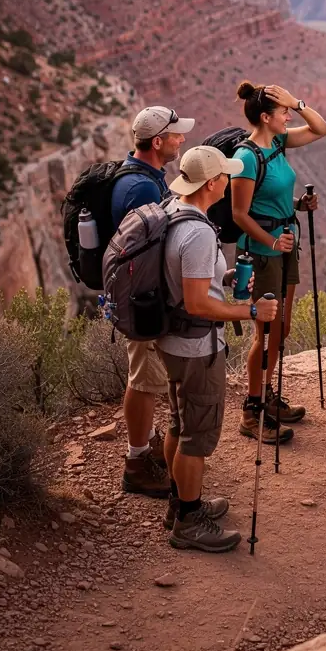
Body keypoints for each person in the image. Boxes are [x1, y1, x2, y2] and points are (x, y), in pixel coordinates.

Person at [155, 145, 277, 553]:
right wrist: (251, 309)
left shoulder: (173, 212)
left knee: (179, 423)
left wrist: (222, 279)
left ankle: (181, 502)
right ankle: (189, 523)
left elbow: (190, 283)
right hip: (195, 346)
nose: (229, 180)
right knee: (197, 436)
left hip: (172, 340)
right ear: (212, 183)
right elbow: (197, 303)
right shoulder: (199, 232)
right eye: (225, 174)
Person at [230, 83, 326, 444]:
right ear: (265, 118)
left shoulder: (277, 142)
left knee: (282, 328)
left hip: (286, 244)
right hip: (262, 252)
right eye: (283, 111)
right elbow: (239, 214)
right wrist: (271, 240)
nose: (288, 115)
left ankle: (266, 393)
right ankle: (251, 409)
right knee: (266, 330)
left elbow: (320, 129)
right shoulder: (245, 158)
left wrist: (298, 102)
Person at [112, 105, 195, 499]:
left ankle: (144, 448)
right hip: (143, 300)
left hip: (144, 296)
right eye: (176, 135)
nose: (182, 140)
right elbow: (142, 254)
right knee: (144, 380)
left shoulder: (146, 177)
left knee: (147, 377)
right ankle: (137, 461)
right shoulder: (141, 188)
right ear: (158, 141)